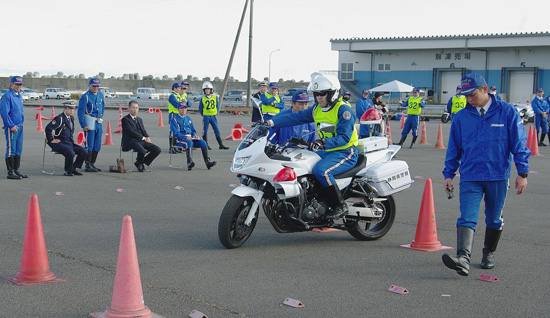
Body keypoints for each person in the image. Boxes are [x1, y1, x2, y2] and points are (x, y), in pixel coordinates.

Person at [441, 73, 530, 276]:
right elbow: (454, 148)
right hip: (470, 176)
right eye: (465, 96)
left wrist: (522, 172)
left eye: (472, 94)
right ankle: (463, 258)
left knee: (494, 219)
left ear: (485, 89)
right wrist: (449, 173)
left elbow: (519, 144)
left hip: (497, 176)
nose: (469, 99)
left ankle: (488, 253)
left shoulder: (507, 112)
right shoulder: (462, 116)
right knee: (467, 217)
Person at [265, 72, 358, 220]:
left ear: (333, 93)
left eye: (323, 94)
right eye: (317, 94)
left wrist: (323, 142)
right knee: (299, 163)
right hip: (326, 151)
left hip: (345, 152)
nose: (319, 97)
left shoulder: (343, 110)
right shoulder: (317, 109)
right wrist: (271, 122)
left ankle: (340, 205)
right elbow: (295, 117)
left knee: (321, 170)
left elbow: (345, 138)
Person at [45, 101, 87, 176]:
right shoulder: (59, 118)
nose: (72, 111)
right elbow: (48, 128)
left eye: (73, 109)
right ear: (65, 109)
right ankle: (67, 170)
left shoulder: (71, 118)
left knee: (84, 151)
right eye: (70, 109)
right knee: (70, 153)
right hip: (59, 143)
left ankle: (73, 168)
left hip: (69, 142)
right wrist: (51, 139)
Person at [170, 102, 216, 170]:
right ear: (178, 109)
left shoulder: (188, 119)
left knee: (203, 142)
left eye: (185, 108)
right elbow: (176, 133)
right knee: (189, 143)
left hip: (191, 138)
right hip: (180, 139)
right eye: (182, 108)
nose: (183, 110)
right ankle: (189, 162)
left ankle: (207, 162)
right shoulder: (174, 119)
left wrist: (195, 135)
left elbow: (193, 130)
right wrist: (186, 137)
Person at [121, 101, 162, 172]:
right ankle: (139, 163)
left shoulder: (139, 119)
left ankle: (140, 162)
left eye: (136, 108)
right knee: (142, 151)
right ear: (129, 109)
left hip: (141, 140)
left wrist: (147, 137)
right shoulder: (125, 119)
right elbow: (131, 132)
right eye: (133, 108)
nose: (135, 110)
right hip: (131, 140)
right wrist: (143, 138)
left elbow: (143, 130)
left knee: (157, 149)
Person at [0, 76, 28, 179]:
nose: (19, 86)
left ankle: (17, 170)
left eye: (20, 84)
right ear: (11, 84)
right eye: (17, 84)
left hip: (20, 125)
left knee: (18, 149)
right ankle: (10, 172)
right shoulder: (7, 96)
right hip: (12, 127)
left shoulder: (19, 96)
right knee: (11, 149)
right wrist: (10, 125)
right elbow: (4, 112)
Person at [78, 78, 105, 172]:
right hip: (90, 122)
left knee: (97, 144)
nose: (96, 88)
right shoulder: (85, 97)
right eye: (94, 86)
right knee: (89, 144)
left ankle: (92, 163)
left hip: (98, 122)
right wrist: (83, 124)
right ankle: (87, 164)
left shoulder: (100, 95)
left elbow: (103, 107)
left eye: (98, 86)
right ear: (89, 86)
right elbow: (80, 112)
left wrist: (100, 117)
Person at [198, 81, 229, 150]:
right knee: (205, 130)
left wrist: (215, 113)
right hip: (206, 116)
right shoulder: (203, 99)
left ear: (211, 90)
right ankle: (206, 145)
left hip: (213, 116)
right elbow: (200, 108)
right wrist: (203, 115)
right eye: (206, 90)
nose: (207, 91)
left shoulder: (215, 97)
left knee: (216, 130)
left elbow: (217, 106)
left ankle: (220, 144)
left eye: (208, 89)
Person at [168, 82, 186, 153]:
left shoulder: (179, 95)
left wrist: (185, 102)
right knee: (172, 131)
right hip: (173, 114)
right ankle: (171, 147)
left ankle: (175, 146)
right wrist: (183, 102)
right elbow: (177, 104)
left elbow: (187, 104)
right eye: (179, 88)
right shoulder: (172, 96)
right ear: (174, 88)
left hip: (178, 114)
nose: (180, 89)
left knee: (177, 131)